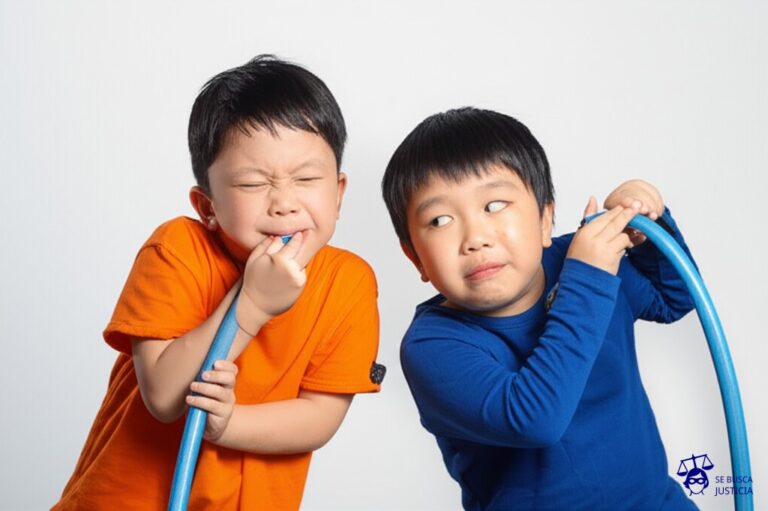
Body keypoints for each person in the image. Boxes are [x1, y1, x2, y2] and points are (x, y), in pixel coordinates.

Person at [53, 55, 384, 510]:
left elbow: (320, 417)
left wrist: (228, 424)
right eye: (252, 184)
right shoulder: (177, 249)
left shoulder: (350, 282)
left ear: (339, 192)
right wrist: (250, 307)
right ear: (206, 206)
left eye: (307, 178)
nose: (285, 204)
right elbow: (166, 398)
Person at [381, 107, 698, 510]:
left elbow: (674, 298)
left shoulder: (582, 260)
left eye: (494, 205)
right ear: (415, 259)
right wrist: (588, 278)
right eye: (441, 219)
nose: (475, 237)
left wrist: (648, 225)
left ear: (546, 218)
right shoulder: (432, 345)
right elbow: (536, 419)